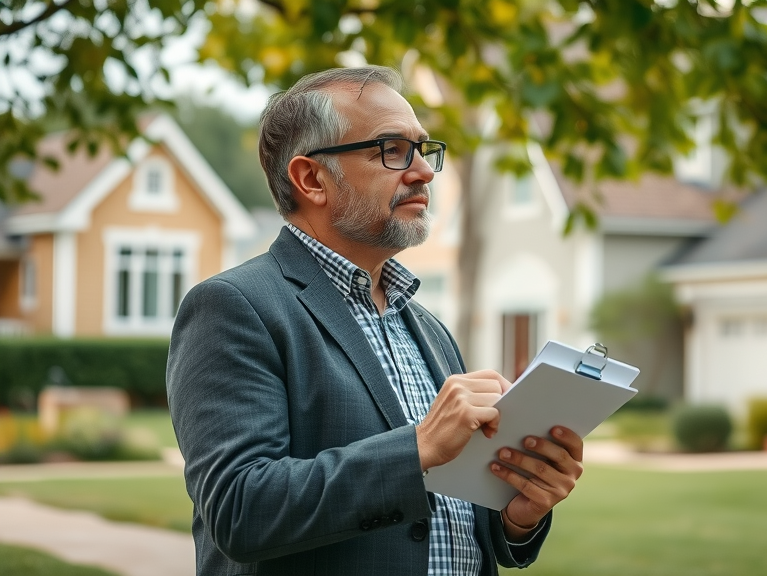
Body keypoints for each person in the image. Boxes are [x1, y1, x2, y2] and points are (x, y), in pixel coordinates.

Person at [166, 65, 584, 576]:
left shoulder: (428, 327)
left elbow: (444, 518)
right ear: (312, 179)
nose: (424, 172)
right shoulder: (233, 308)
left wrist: (517, 516)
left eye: (424, 150)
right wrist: (418, 446)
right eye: (391, 149)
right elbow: (241, 511)